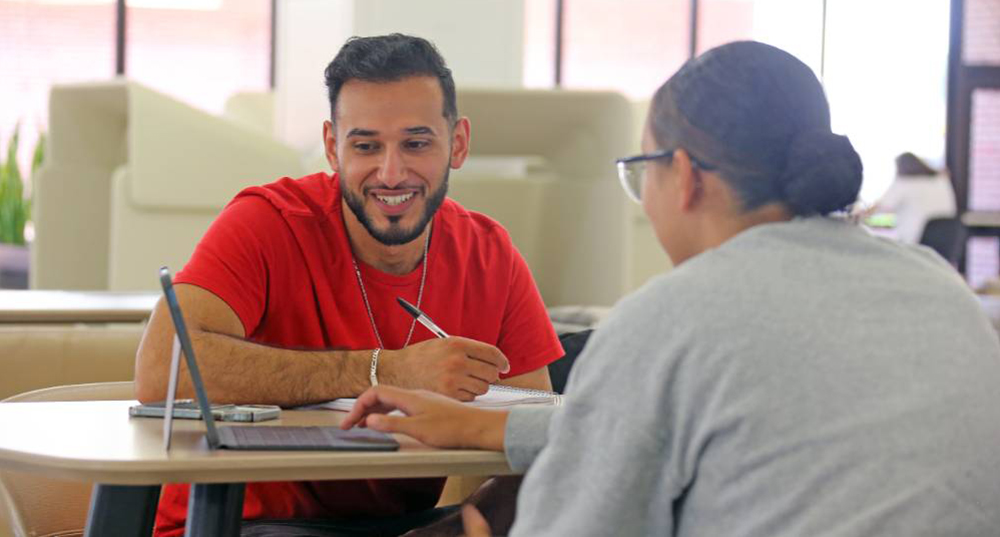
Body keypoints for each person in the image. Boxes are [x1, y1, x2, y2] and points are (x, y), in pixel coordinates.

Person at [343, 41, 1000, 537]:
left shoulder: (670, 319)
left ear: (682, 175)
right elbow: (727, 424)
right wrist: (483, 426)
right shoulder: (940, 289)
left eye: (641, 170)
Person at [134, 34, 565, 537]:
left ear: (459, 143)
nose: (391, 172)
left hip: (406, 527)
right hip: (246, 524)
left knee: (551, 475)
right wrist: (388, 370)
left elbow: (535, 434)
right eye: (366, 145)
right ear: (332, 148)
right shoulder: (266, 221)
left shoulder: (490, 252)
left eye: (416, 143)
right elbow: (162, 370)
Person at [870, 152, 957, 244]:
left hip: (914, 241)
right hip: (947, 241)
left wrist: (862, 213)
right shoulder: (941, 181)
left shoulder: (904, 182)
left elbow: (882, 207)